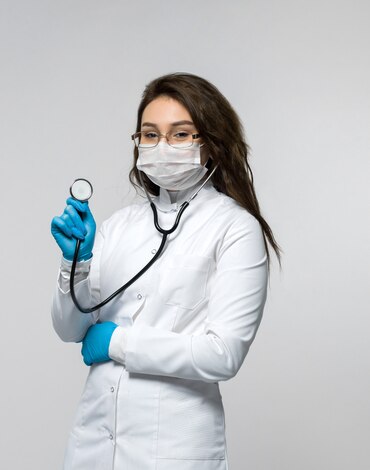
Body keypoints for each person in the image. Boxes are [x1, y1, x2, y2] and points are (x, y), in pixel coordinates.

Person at [50, 72, 280, 470]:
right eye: (150, 135)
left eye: (181, 134)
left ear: (210, 145)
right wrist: (77, 262)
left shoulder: (234, 228)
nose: (162, 146)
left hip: (174, 451)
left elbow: (222, 354)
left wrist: (118, 342)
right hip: (94, 445)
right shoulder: (119, 225)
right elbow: (69, 330)